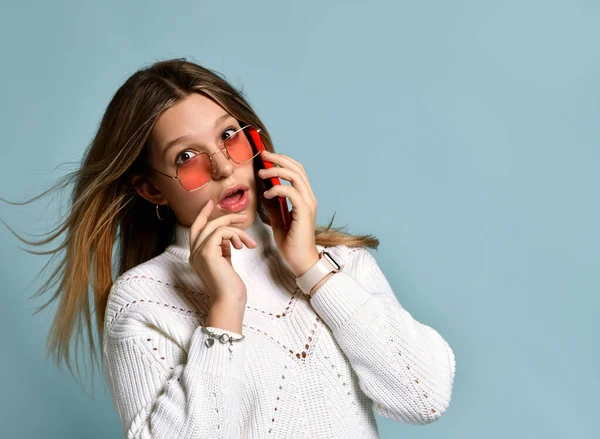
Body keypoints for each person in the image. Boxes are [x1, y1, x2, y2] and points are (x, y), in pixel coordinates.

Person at [8, 58, 455, 438]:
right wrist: (225, 309)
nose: (223, 166)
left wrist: (312, 269)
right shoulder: (144, 300)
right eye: (186, 157)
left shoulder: (336, 263)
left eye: (228, 136)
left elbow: (425, 397)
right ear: (150, 189)